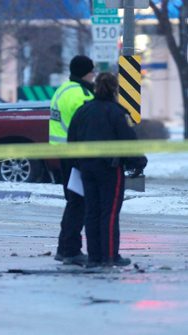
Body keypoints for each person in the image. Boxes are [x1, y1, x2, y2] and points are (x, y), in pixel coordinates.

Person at [67, 72, 147, 267]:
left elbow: (72, 139)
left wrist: (79, 163)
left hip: (87, 168)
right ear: (115, 89)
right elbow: (128, 141)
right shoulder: (117, 113)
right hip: (110, 169)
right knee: (109, 213)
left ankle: (94, 256)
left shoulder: (83, 111)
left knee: (92, 212)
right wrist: (138, 162)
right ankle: (110, 256)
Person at [50, 55, 95, 265]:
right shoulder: (81, 94)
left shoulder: (63, 89)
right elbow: (88, 126)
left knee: (73, 202)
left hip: (65, 155)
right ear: (87, 72)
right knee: (78, 204)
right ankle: (71, 251)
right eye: (92, 71)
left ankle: (64, 248)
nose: (93, 75)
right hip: (78, 156)